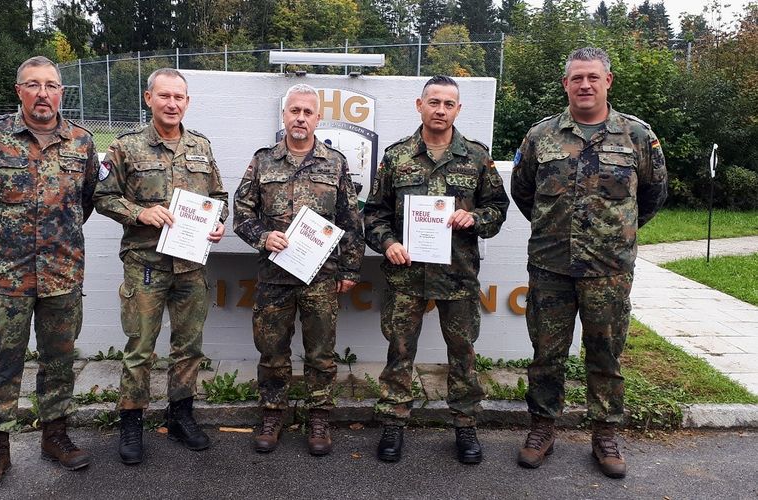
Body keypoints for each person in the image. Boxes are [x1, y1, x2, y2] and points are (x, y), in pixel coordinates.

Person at [511, 47, 667, 479]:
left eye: (592, 78)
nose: (584, 85)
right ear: (566, 84)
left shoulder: (636, 136)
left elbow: (653, 195)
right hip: (551, 267)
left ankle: (605, 434)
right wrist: (556, 229)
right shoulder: (540, 136)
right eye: (576, 78)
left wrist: (616, 235)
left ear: (607, 82)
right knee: (546, 354)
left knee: (605, 356)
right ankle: (541, 428)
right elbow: (524, 192)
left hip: (609, 271)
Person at [0, 56, 98, 491]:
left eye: (51, 85)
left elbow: (86, 200)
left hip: (62, 274)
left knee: (59, 362)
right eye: (33, 85)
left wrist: (58, 238)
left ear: (61, 93)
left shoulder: (81, 142)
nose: (43, 94)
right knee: (3, 364)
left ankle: (55, 437)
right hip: (6, 277)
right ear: (20, 91)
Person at [362, 75, 509, 464]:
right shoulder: (397, 157)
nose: (440, 110)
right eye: (434, 102)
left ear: (458, 109)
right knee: (399, 352)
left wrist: (473, 218)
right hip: (406, 276)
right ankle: (394, 422)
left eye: (448, 104)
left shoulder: (476, 157)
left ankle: (464, 425)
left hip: (457, 276)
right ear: (419, 105)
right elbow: (373, 213)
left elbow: (498, 210)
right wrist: (388, 243)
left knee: (462, 353)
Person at [93, 68, 228, 465]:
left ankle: (180, 413)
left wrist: (217, 222)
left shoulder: (201, 146)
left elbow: (218, 194)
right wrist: (140, 213)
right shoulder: (125, 146)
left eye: (179, 98)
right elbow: (103, 196)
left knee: (188, 347)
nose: (172, 104)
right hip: (146, 265)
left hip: (190, 267)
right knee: (141, 348)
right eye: (165, 96)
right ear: (149, 98)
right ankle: (132, 421)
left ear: (187, 102)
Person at [233, 83, 364, 456]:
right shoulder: (263, 161)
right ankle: (273, 414)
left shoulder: (335, 163)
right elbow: (241, 212)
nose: (300, 118)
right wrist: (262, 236)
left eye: (308, 112)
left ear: (317, 118)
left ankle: (319, 417)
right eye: (294, 111)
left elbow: (351, 220)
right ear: (284, 115)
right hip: (274, 277)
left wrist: (350, 269)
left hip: (320, 278)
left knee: (321, 352)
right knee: (272, 351)